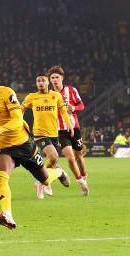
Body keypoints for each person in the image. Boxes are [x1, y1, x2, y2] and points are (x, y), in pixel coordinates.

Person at [0, 68, 65, 230]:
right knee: (0, 177)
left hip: (23, 144)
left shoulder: (7, 94)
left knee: (45, 179)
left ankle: (59, 172)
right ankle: (8, 215)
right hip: (2, 145)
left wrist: (0, 129)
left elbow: (17, 120)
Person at [22, 73, 73, 199]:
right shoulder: (31, 97)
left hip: (54, 134)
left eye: (43, 80)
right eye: (38, 81)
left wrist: (69, 126)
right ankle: (45, 181)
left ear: (47, 82)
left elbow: (63, 112)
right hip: (39, 133)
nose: (40, 83)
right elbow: (20, 111)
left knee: (53, 161)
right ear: (36, 83)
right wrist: (18, 123)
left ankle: (42, 181)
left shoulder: (55, 95)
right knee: (54, 156)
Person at [47, 66, 90, 195]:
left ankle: (84, 176)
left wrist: (74, 108)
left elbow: (82, 105)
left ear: (62, 78)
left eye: (57, 77)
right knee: (70, 158)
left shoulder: (71, 90)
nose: (55, 80)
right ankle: (80, 182)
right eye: (52, 78)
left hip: (74, 127)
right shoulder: (49, 95)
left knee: (79, 156)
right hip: (60, 130)